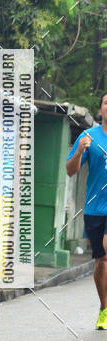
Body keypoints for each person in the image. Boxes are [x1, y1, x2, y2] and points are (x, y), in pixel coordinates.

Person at [66, 92, 107, 329]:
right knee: (101, 259)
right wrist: (80, 151)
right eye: (106, 102)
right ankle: (104, 308)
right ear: (100, 110)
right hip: (95, 209)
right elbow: (71, 171)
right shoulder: (88, 137)